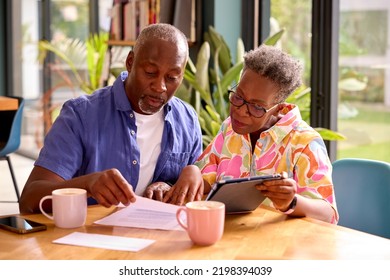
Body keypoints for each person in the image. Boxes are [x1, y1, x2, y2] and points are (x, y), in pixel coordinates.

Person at [19, 23, 203, 213]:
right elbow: (29, 199)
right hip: (88, 237)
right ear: (130, 62)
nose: (160, 87)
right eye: (150, 73)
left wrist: (171, 185)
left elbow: (200, 190)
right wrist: (87, 185)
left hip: (162, 239)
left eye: (172, 77)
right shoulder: (80, 116)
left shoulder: (187, 120)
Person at [165, 44, 339, 224]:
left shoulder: (305, 143)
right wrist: (192, 171)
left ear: (277, 109)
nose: (240, 111)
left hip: (282, 244)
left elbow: (328, 214)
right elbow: (206, 178)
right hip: (233, 236)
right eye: (238, 97)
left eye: (256, 107)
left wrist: (292, 201)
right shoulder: (230, 129)